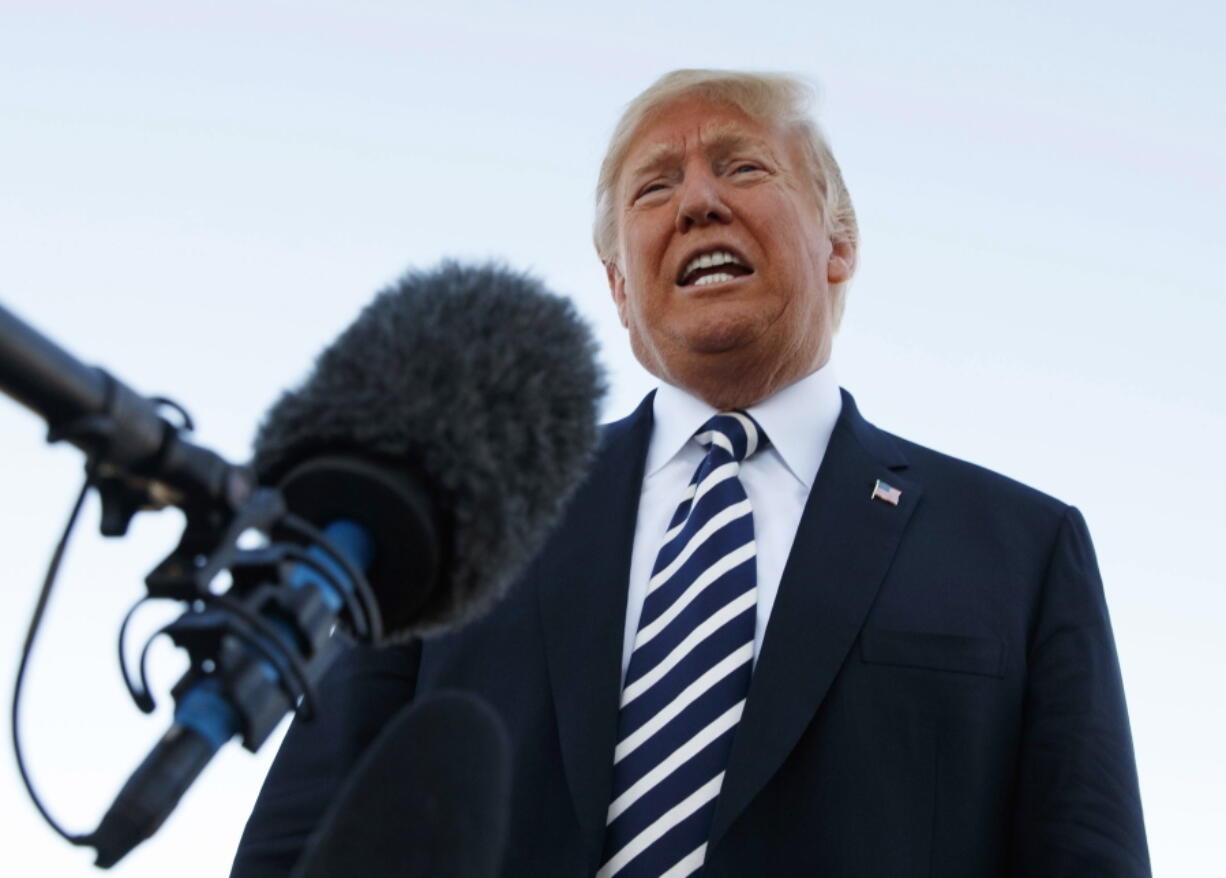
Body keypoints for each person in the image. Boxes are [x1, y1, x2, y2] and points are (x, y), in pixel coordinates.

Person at [232, 69, 1150, 877]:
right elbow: (300, 835)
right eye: (654, 187)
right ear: (621, 290)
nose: (697, 203)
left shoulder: (1021, 549)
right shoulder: (464, 516)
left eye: (743, 167)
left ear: (840, 243)